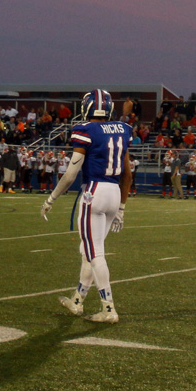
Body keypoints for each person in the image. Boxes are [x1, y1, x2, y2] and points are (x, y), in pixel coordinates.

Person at [41, 89, 132, 324]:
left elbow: (71, 174)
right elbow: (127, 173)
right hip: (114, 193)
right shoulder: (123, 130)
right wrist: (121, 206)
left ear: (87, 107)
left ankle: (108, 308)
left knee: (94, 253)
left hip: (94, 192)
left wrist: (51, 198)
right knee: (88, 250)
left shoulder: (85, 130)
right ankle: (77, 300)